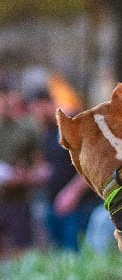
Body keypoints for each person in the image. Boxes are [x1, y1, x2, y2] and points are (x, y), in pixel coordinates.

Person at [28, 89, 99, 250]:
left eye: (36, 110)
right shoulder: (48, 130)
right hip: (55, 204)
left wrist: (72, 192)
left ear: (45, 104)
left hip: (78, 204)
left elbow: (91, 162)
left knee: (73, 251)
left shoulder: (73, 121)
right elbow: (50, 165)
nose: (35, 116)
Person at [0, 84, 42, 258]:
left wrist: (25, 176)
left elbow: (42, 168)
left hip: (18, 200)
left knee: (21, 252)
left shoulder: (27, 129)